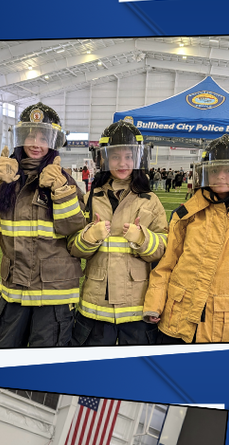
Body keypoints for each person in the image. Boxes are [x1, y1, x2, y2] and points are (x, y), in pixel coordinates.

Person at [0, 104, 87, 347]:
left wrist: (60, 191)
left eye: (43, 136)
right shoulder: (7, 178)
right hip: (15, 289)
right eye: (30, 135)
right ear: (20, 138)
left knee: (45, 369)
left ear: (53, 142)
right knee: (4, 361)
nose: (36, 143)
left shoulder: (66, 180)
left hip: (54, 296)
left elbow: (73, 229)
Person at [143, 135, 229, 343]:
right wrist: (154, 304)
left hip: (225, 329)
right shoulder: (186, 214)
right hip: (175, 323)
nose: (221, 176)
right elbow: (165, 266)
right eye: (215, 170)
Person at [69, 121, 168, 346]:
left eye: (128, 157)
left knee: (134, 373)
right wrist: (89, 237)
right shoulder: (90, 198)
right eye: (115, 157)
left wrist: (143, 239)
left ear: (138, 159)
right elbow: (73, 247)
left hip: (136, 307)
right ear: (103, 159)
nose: (122, 163)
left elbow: (164, 247)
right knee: (92, 370)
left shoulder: (151, 201)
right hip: (96, 305)